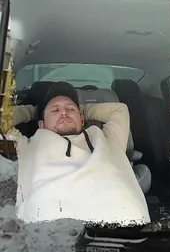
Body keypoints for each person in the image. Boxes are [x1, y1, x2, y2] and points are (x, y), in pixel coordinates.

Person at [10, 82, 149, 225]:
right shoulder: (26, 146)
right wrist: (35, 111)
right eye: (55, 110)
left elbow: (119, 110)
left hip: (122, 224)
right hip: (50, 228)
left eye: (70, 109)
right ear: (42, 124)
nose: (64, 113)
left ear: (82, 120)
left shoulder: (108, 140)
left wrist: (80, 110)